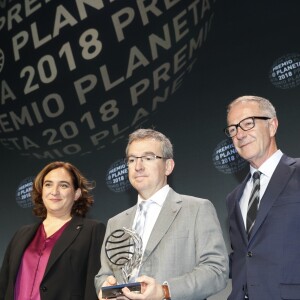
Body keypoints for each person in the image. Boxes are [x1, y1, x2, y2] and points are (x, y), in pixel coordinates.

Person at [95, 128, 229, 300]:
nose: (138, 166)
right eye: (132, 159)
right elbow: (103, 275)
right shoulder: (116, 222)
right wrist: (106, 287)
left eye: (148, 158)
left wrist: (165, 291)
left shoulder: (196, 209)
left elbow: (217, 270)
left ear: (168, 166)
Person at [224, 95, 300, 300]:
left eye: (248, 124)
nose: (240, 134)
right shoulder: (234, 198)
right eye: (233, 129)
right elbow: (243, 256)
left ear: (272, 125)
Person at [0, 161, 106, 300]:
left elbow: (93, 289)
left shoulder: (92, 231)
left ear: (76, 193)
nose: (54, 191)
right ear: (41, 191)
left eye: (63, 185)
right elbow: (3, 286)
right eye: (48, 184)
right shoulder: (21, 234)